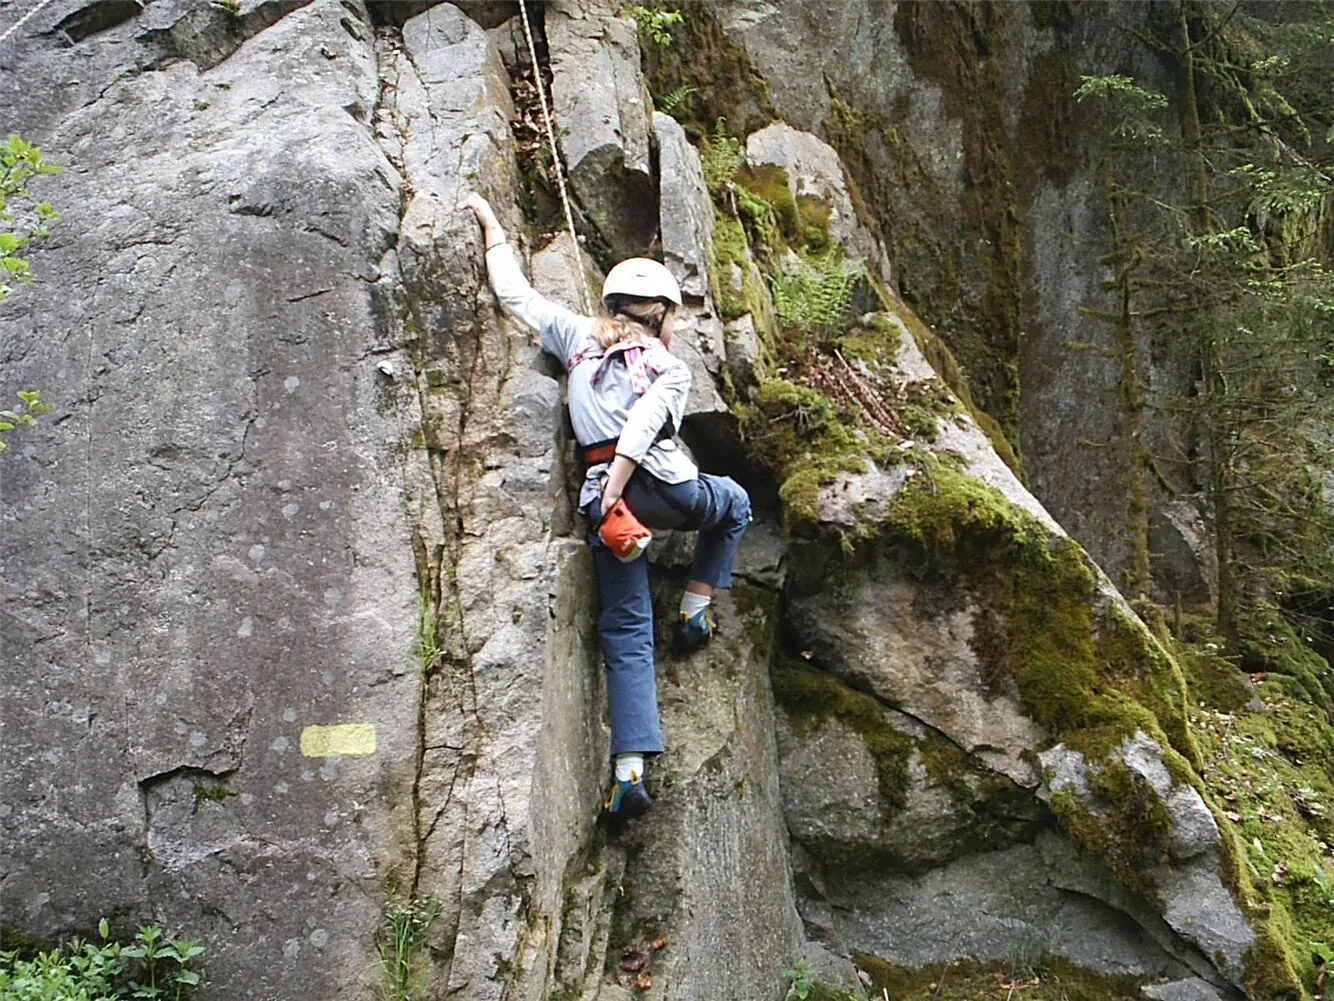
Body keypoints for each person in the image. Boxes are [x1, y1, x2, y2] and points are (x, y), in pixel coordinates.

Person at [460, 194, 752, 821]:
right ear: (663, 314)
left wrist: (492, 230)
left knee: (625, 627)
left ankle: (628, 775)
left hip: (606, 509)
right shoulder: (668, 367)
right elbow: (647, 424)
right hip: (659, 490)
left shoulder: (576, 341)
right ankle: (697, 612)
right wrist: (622, 481)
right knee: (733, 501)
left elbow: (516, 298)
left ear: (613, 307)